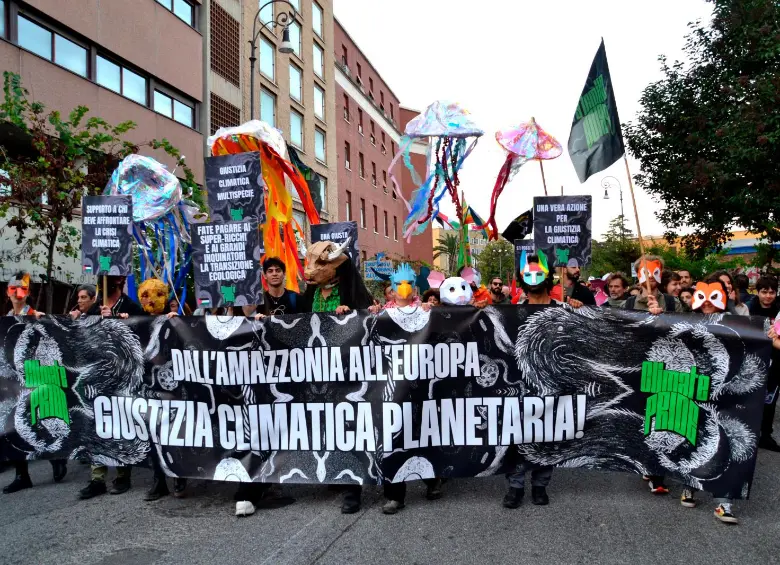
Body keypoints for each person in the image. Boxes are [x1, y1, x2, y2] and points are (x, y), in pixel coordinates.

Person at [503, 252, 585, 508]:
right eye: (529, 274)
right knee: (517, 434)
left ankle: (540, 485)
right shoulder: (510, 311)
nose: (534, 279)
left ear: (548, 278)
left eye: (539, 274)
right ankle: (515, 487)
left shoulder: (563, 309)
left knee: (548, 434)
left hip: (553, 384)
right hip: (519, 385)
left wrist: (580, 312)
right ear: (521, 279)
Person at [301, 239, 373, 513]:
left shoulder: (353, 294)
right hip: (317, 374)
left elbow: (368, 325)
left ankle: (352, 489)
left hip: (349, 374)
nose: (311, 270)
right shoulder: (311, 294)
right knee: (323, 426)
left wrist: (351, 314)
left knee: (349, 427)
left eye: (319, 264)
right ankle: (332, 472)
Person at [680, 277, 744, 524]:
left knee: (727, 441)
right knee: (693, 436)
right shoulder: (684, 320)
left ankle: (724, 501)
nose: (707, 303)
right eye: (702, 296)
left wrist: (767, 335)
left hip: (727, 392)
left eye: (713, 296)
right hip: (694, 387)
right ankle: (690, 485)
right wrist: (653, 311)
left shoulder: (739, 323)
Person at [79, 275, 146, 500]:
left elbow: (144, 330)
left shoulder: (130, 306)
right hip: (97, 375)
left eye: (106, 282)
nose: (103, 287)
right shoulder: (95, 308)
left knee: (120, 424)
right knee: (96, 424)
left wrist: (118, 319)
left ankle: (122, 475)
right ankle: (97, 478)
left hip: (123, 375)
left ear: (117, 283)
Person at [2, 271, 68, 495]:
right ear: (7, 292)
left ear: (28, 293)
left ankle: (56, 458)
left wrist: (42, 322)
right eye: (13, 289)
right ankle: (22, 475)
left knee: (42, 418)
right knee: (12, 425)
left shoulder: (37, 316)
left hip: (37, 376)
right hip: (14, 382)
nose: (18, 294)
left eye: (22, 290)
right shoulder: (5, 319)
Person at [749, 276, 780, 452]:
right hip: (753, 360)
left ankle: (766, 434)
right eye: (764, 292)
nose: (768, 296)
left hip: (775, 361)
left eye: (772, 292)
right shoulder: (749, 309)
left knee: (770, 399)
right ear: (758, 292)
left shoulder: (778, 310)